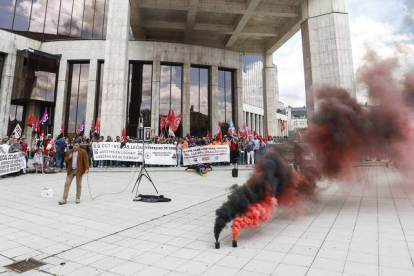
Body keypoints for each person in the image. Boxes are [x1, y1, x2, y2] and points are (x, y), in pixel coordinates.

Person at [59, 140, 89, 205]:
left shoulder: (83, 152)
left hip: (79, 170)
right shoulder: (70, 152)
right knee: (67, 183)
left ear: (79, 145)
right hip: (71, 170)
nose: (75, 146)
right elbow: (65, 160)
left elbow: (86, 161)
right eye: (74, 145)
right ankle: (64, 199)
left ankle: (78, 197)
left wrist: (87, 168)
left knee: (78, 184)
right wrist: (69, 158)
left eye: (76, 145)